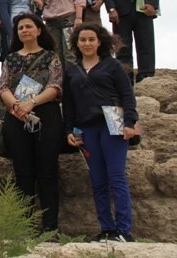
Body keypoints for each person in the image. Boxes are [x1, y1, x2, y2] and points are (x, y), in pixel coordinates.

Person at [63, 24, 138, 242]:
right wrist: (69, 130)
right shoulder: (72, 70)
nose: (87, 43)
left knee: (116, 176)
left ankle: (123, 230)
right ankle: (106, 228)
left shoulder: (112, 66)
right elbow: (68, 104)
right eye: (83, 40)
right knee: (97, 180)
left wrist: (130, 122)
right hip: (86, 128)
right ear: (76, 43)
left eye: (91, 39)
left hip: (113, 122)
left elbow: (127, 95)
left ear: (99, 42)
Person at [0, 13, 63, 233]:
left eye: (29, 26)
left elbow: (55, 86)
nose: (24, 30)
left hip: (47, 117)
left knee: (47, 173)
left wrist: (31, 103)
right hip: (17, 118)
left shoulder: (51, 57)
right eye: (20, 28)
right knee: (22, 174)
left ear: (38, 30)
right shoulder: (10, 59)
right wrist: (18, 107)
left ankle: (50, 228)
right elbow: (3, 87)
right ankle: (24, 228)